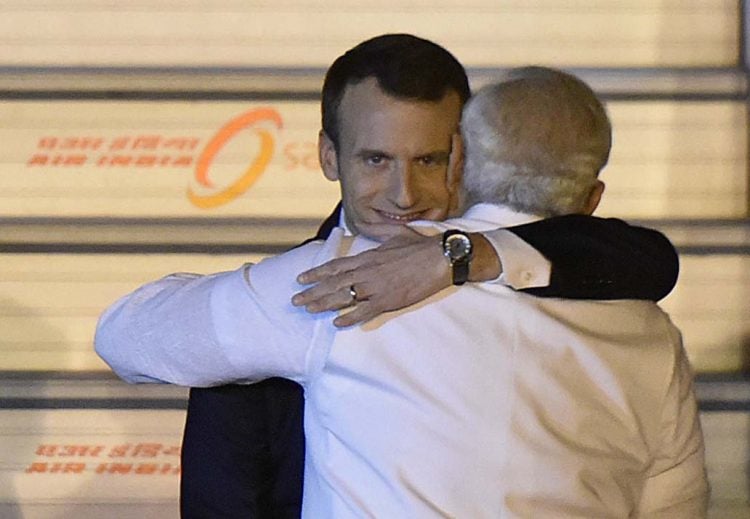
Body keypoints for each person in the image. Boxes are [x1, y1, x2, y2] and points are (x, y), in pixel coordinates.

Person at [96, 66, 707, 517]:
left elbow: (124, 336)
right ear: (594, 200)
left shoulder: (346, 279)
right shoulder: (652, 333)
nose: (403, 193)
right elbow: (674, 505)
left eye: (426, 160)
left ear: (459, 159)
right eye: (376, 160)